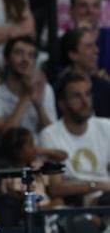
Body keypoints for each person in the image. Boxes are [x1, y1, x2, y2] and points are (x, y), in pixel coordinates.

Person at [39, 72, 110, 207]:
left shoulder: (106, 127)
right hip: (74, 202)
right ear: (62, 104)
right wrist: (96, 185)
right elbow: (55, 188)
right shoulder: (50, 135)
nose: (85, 101)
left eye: (88, 94)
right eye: (77, 96)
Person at [0, 37, 57, 140]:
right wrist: (26, 96)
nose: (25, 59)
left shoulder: (45, 89)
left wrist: (39, 106)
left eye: (31, 56)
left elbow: (54, 136)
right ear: (6, 60)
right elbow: (5, 137)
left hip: (45, 150)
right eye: (19, 53)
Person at [60, 27, 110, 118]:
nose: (96, 50)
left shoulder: (104, 87)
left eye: (95, 45)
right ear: (73, 55)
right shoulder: (60, 88)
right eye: (89, 46)